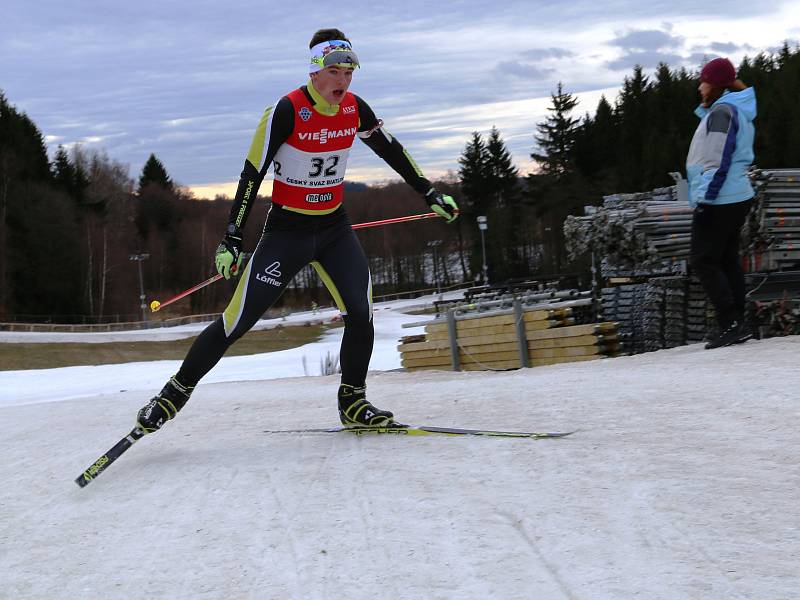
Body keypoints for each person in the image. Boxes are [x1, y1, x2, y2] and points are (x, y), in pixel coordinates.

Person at [135, 28, 458, 434]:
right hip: (287, 232)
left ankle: (353, 403)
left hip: (334, 229)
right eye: (335, 70)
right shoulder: (286, 111)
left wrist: (428, 191)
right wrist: (232, 236)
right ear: (315, 71)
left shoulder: (355, 109)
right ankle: (170, 397)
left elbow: (391, 149)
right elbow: (253, 173)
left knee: (361, 313)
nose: (343, 80)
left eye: (349, 71)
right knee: (238, 321)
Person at [686, 57, 756, 350]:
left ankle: (730, 322)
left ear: (714, 84)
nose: (699, 86)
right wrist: (705, 108)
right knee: (726, 259)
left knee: (703, 260)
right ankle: (737, 322)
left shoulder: (722, 112)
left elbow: (716, 159)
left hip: (720, 197)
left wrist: (705, 199)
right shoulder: (731, 108)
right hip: (735, 195)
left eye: (703, 81)